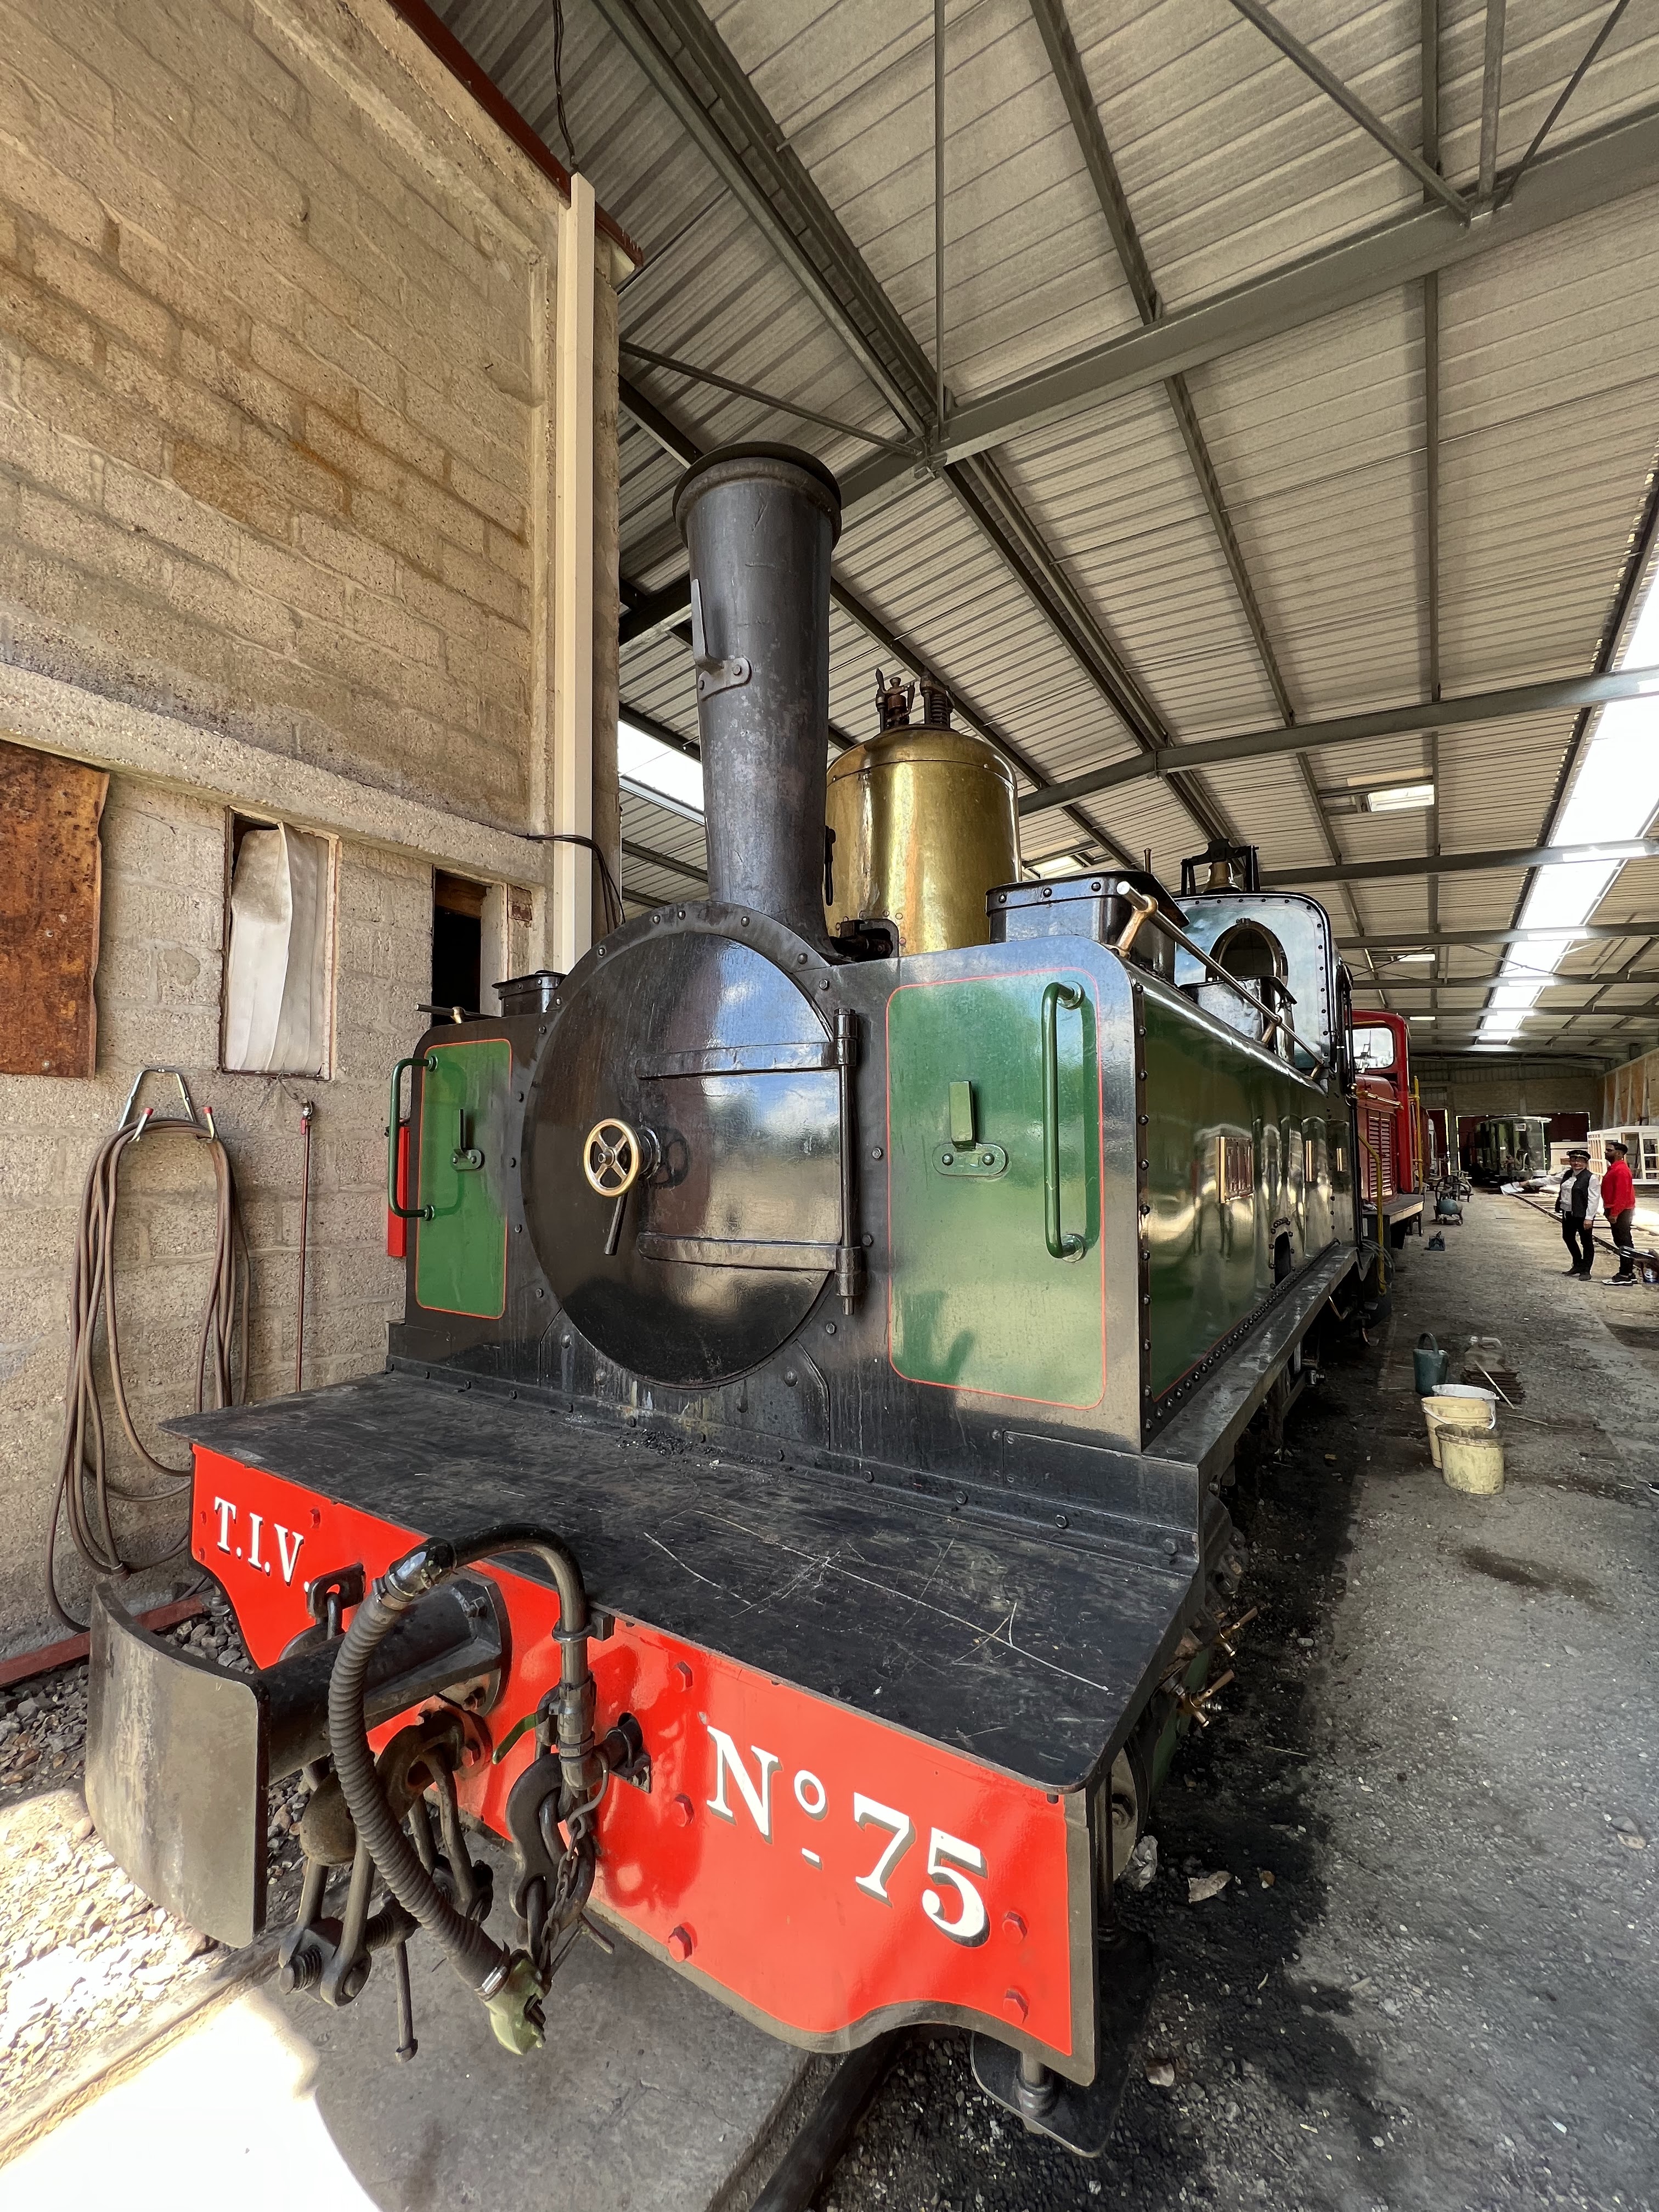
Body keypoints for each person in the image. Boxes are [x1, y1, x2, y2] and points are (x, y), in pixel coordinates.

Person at [1554, 1147, 1600, 1278]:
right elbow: (1550, 1180)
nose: (1576, 1163)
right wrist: (1527, 1183)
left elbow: (1594, 1199)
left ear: (1586, 1163)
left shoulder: (1591, 1178)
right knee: (1568, 1237)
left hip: (1583, 1215)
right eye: (1573, 1160)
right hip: (1568, 1213)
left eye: (1580, 1161)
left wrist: (1589, 1218)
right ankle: (1578, 1264)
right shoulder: (1567, 1174)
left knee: (1586, 1242)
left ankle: (1586, 1270)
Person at [1600, 1139, 1637, 1286]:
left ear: (1619, 1154)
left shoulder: (1621, 1170)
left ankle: (1625, 1274)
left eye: (1609, 1150)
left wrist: (1615, 1213)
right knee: (1622, 1241)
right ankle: (1629, 1273)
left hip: (1621, 1210)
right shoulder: (1615, 1169)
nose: (1606, 1152)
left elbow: (1622, 1194)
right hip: (1618, 1209)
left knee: (1624, 1241)